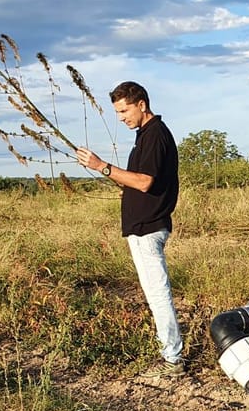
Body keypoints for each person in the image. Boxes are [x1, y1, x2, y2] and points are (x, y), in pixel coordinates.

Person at [76, 81, 184, 379]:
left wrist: (103, 166)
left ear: (141, 104)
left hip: (149, 227)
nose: (121, 117)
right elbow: (133, 181)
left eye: (124, 110)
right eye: (117, 112)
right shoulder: (144, 136)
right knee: (153, 292)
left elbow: (145, 181)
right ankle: (170, 353)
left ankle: (173, 359)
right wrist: (106, 171)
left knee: (158, 293)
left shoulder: (155, 136)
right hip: (140, 227)